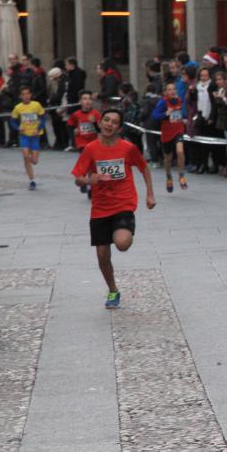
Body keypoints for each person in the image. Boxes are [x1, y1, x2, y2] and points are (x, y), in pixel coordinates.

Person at [71, 109, 156, 309]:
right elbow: (78, 178)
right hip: (100, 207)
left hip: (123, 203)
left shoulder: (128, 148)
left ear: (119, 127)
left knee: (122, 243)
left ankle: (126, 229)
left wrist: (150, 194)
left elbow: (144, 168)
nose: (109, 124)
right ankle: (113, 290)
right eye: (106, 120)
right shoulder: (91, 149)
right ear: (100, 123)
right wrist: (89, 180)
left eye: (114, 122)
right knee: (102, 255)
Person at [152, 82, 188, 192]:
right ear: (165, 92)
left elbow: (185, 114)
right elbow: (154, 116)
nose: (172, 91)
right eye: (169, 89)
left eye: (174, 89)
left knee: (180, 151)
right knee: (168, 158)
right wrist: (165, 114)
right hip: (167, 133)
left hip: (178, 130)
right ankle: (168, 177)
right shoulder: (163, 102)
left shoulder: (180, 101)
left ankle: (181, 175)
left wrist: (185, 119)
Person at [10, 86, 46, 190]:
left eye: (28, 94)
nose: (26, 96)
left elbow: (43, 118)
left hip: (35, 136)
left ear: (31, 95)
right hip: (24, 136)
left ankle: (31, 160)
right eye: (23, 94)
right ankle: (32, 180)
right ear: (20, 96)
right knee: (26, 156)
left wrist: (38, 129)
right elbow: (12, 121)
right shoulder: (18, 107)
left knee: (34, 161)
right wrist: (18, 128)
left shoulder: (36, 105)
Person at [67, 90, 101, 154]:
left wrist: (94, 122)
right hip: (81, 143)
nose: (87, 101)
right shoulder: (76, 114)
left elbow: (99, 130)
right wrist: (73, 132)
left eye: (90, 99)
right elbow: (69, 125)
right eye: (85, 99)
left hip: (93, 143)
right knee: (86, 160)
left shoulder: (96, 114)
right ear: (80, 101)